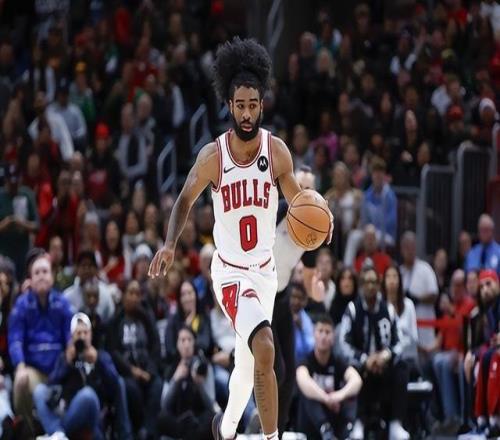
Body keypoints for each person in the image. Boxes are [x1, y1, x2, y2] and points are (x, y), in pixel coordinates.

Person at [148, 37, 333, 440]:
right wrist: (169, 243)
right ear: (229, 106)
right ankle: (271, 438)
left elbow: (298, 203)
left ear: (262, 105)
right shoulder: (213, 156)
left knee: (248, 368)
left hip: (265, 273)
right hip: (230, 274)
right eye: (240, 105)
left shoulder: (277, 152)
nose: (247, 113)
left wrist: (321, 220)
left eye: (253, 105)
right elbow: (184, 200)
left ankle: (225, 428)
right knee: (264, 345)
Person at [33, 313, 132, 440]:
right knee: (39, 390)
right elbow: (51, 384)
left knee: (87, 394)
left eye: (86, 333)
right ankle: (58, 433)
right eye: (78, 333)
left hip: (93, 411)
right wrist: (67, 363)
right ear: (72, 337)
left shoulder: (101, 356)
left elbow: (116, 384)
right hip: (68, 410)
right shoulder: (65, 357)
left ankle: (55, 433)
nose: (83, 337)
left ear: (91, 334)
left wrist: (98, 361)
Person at [339, 266, 410, 440]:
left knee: (402, 368)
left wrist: (385, 356)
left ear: (379, 285)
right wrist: (365, 359)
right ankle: (358, 423)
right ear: (361, 285)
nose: (370, 286)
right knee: (351, 370)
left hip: (384, 364)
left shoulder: (389, 309)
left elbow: (400, 341)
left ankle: (395, 424)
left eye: (373, 282)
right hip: (361, 364)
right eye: (366, 282)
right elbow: (343, 343)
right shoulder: (352, 309)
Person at [8, 252, 72, 433]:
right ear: (31, 278)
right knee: (20, 382)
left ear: (52, 276)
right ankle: (30, 432)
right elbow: (15, 339)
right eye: (37, 273)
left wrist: (70, 350)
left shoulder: (62, 303)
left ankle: (59, 432)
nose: (41, 276)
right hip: (34, 370)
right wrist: (20, 366)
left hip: (58, 370)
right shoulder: (21, 305)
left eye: (45, 271)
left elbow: (70, 334)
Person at [296, 315, 362, 440]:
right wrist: (326, 398)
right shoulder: (306, 361)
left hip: (334, 418)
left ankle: (348, 431)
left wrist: (339, 395)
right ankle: (325, 429)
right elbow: (302, 379)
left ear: (333, 337)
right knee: (309, 393)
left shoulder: (337, 360)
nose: (323, 336)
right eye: (320, 331)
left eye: (327, 332)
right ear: (314, 334)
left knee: (351, 393)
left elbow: (357, 380)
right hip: (311, 425)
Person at [399, 231, 439, 356]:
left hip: (425, 326)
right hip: (406, 328)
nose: (410, 251)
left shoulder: (425, 268)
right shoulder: (400, 272)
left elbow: (434, 294)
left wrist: (417, 299)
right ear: (401, 249)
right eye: (407, 247)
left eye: (412, 247)